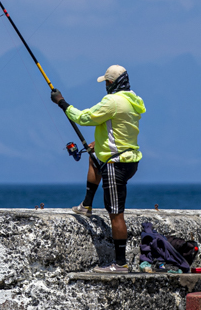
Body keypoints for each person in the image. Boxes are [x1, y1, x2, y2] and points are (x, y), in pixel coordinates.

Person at [50, 64, 146, 272]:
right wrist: (99, 144)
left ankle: (120, 263)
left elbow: (85, 118)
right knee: (94, 157)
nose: (106, 87)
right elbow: (118, 130)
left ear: (112, 84)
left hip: (115, 164)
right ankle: (86, 205)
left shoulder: (112, 101)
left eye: (107, 83)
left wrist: (62, 103)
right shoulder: (133, 100)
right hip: (130, 159)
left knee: (116, 214)